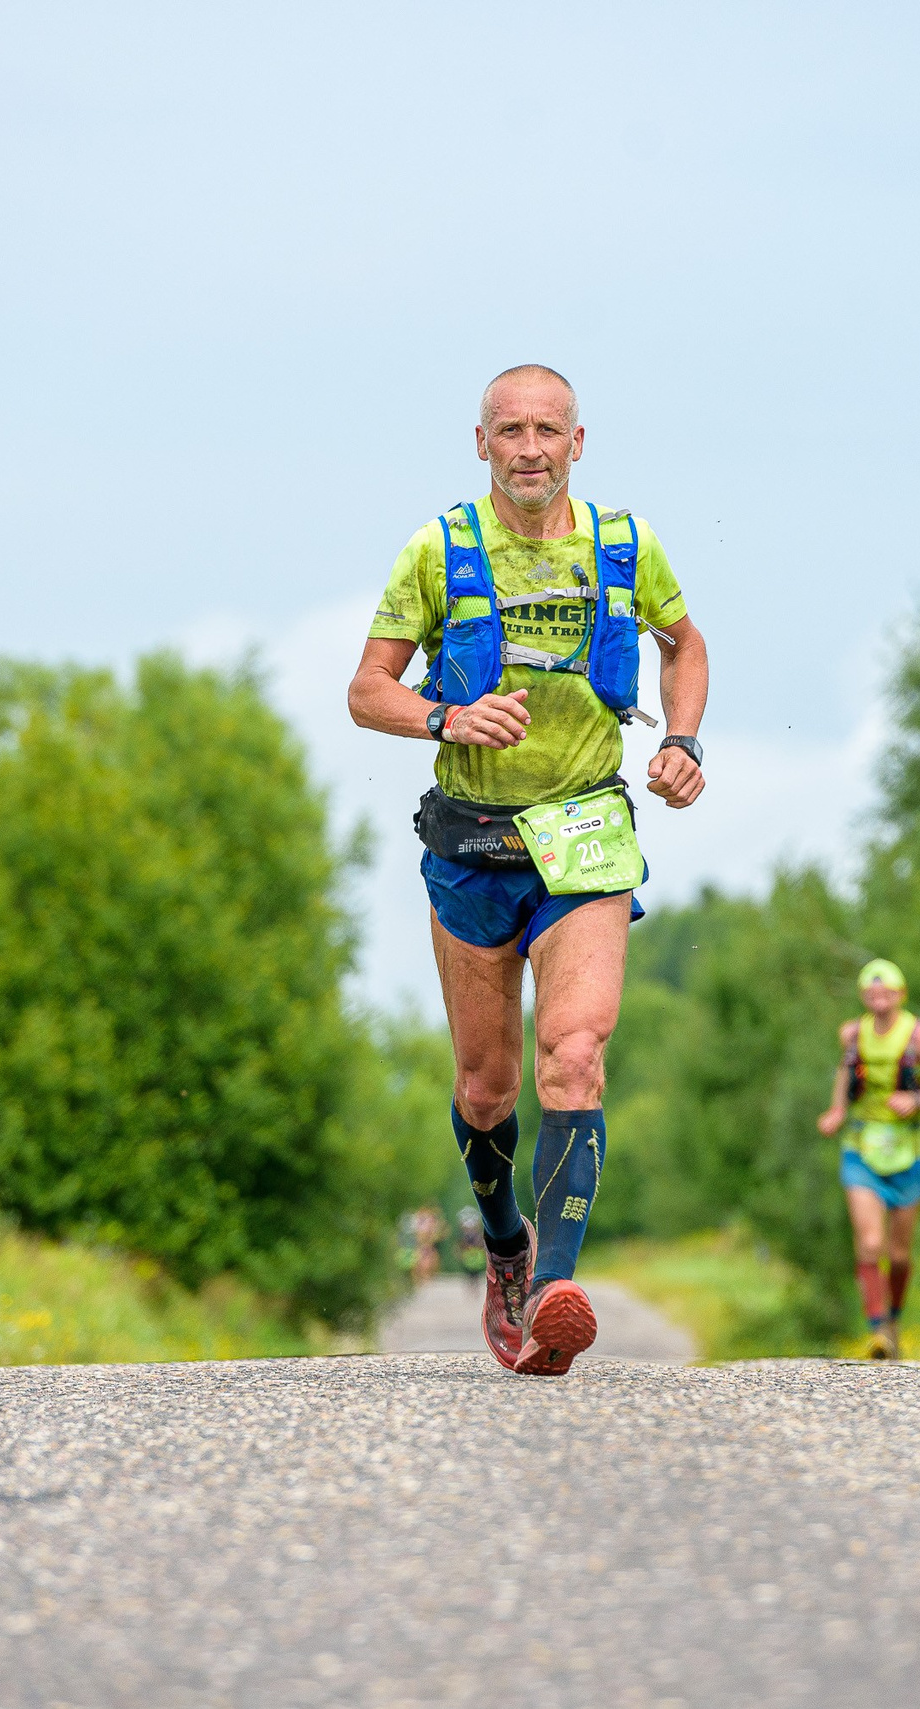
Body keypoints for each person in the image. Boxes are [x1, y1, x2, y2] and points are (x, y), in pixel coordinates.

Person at [348, 364, 709, 1376]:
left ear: (578, 441)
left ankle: (554, 1284)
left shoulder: (623, 546)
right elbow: (364, 688)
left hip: (585, 829)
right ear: (482, 444)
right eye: (510, 430)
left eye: (547, 429)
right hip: (471, 837)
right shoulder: (437, 549)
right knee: (487, 1083)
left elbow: (685, 646)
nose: (530, 447)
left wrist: (682, 738)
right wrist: (445, 715)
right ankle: (505, 1246)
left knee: (576, 1053)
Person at [816, 959, 920, 1359]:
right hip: (861, 1150)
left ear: (901, 994)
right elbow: (845, 1074)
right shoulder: (852, 1035)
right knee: (870, 1242)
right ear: (863, 996)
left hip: (908, 1154)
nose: (878, 998)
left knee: (898, 1254)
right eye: (871, 992)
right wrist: (837, 1112)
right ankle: (877, 1329)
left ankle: (894, 1319)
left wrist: (915, 1100)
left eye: (886, 991)